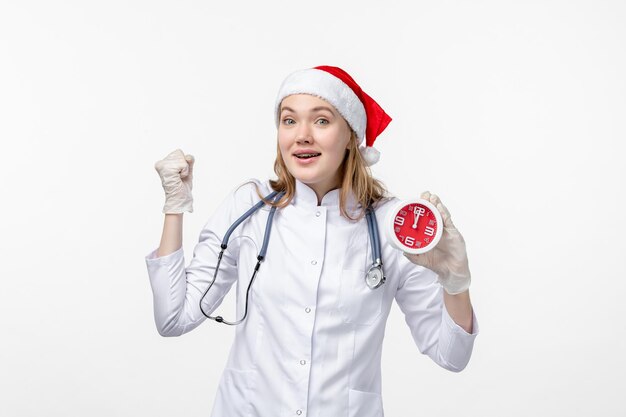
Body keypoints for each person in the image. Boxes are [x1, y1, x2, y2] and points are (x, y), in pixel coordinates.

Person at [145, 65, 479, 417]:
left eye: (321, 121)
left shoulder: (390, 225)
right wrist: (175, 207)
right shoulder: (249, 208)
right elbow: (173, 318)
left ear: (350, 134)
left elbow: (451, 356)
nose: (302, 135)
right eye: (289, 121)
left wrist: (455, 279)